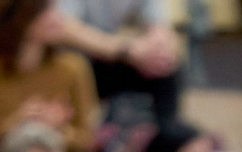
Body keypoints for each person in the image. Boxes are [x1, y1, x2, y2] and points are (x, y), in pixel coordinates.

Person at [0, 0, 99, 152]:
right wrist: (17, 125)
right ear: (20, 18)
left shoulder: (73, 67)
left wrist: (56, 130)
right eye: (46, 11)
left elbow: (89, 143)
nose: (58, 18)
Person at [43, 0, 179, 127]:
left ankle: (166, 137)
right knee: (75, 65)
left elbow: (160, 26)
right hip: (68, 58)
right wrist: (125, 49)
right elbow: (62, 26)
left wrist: (155, 50)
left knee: (162, 66)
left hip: (114, 55)